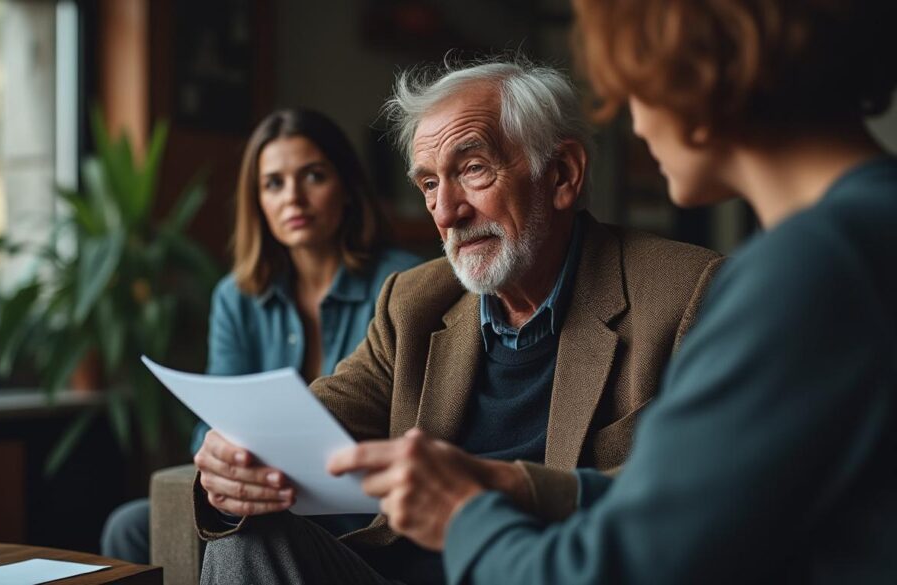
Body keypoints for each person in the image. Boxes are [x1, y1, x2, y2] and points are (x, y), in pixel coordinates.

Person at [328, 2, 897, 584]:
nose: (636, 125)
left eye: (634, 91)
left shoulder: (804, 271)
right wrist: (513, 483)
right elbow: (694, 505)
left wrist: (463, 514)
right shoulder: (860, 233)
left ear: (701, 77)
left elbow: (622, 563)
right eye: (428, 184)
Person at [194, 60, 723, 584]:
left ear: (562, 174)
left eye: (472, 169)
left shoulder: (687, 294)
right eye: (429, 183)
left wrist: (500, 486)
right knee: (248, 539)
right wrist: (237, 461)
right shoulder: (412, 302)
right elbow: (314, 422)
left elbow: (705, 496)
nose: (446, 213)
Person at [100, 108, 421, 562]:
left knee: (251, 536)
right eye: (273, 183)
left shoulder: (404, 284)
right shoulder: (236, 297)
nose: (294, 198)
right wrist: (223, 458)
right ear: (258, 201)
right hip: (270, 491)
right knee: (130, 527)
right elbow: (212, 421)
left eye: (313, 176)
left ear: (348, 188)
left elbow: (417, 422)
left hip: (362, 510)